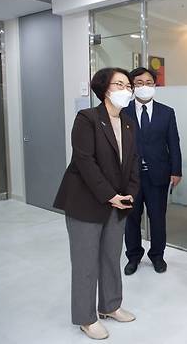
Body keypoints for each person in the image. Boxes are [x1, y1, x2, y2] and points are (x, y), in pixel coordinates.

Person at [54, 67, 140, 340]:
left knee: (111, 258)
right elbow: (85, 161)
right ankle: (85, 318)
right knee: (85, 263)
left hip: (118, 203)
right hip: (86, 202)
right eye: (120, 84)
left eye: (128, 86)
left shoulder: (128, 122)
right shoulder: (87, 118)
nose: (126, 90)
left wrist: (130, 193)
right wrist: (109, 195)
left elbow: (134, 161)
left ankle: (110, 305)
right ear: (104, 89)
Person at [123, 67, 182, 275]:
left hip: (158, 175)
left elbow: (173, 143)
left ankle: (157, 256)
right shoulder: (123, 111)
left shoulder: (167, 112)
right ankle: (133, 256)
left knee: (158, 218)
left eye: (148, 82)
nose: (144, 87)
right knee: (131, 219)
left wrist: (176, 170)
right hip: (130, 177)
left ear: (155, 85)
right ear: (132, 86)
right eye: (139, 83)